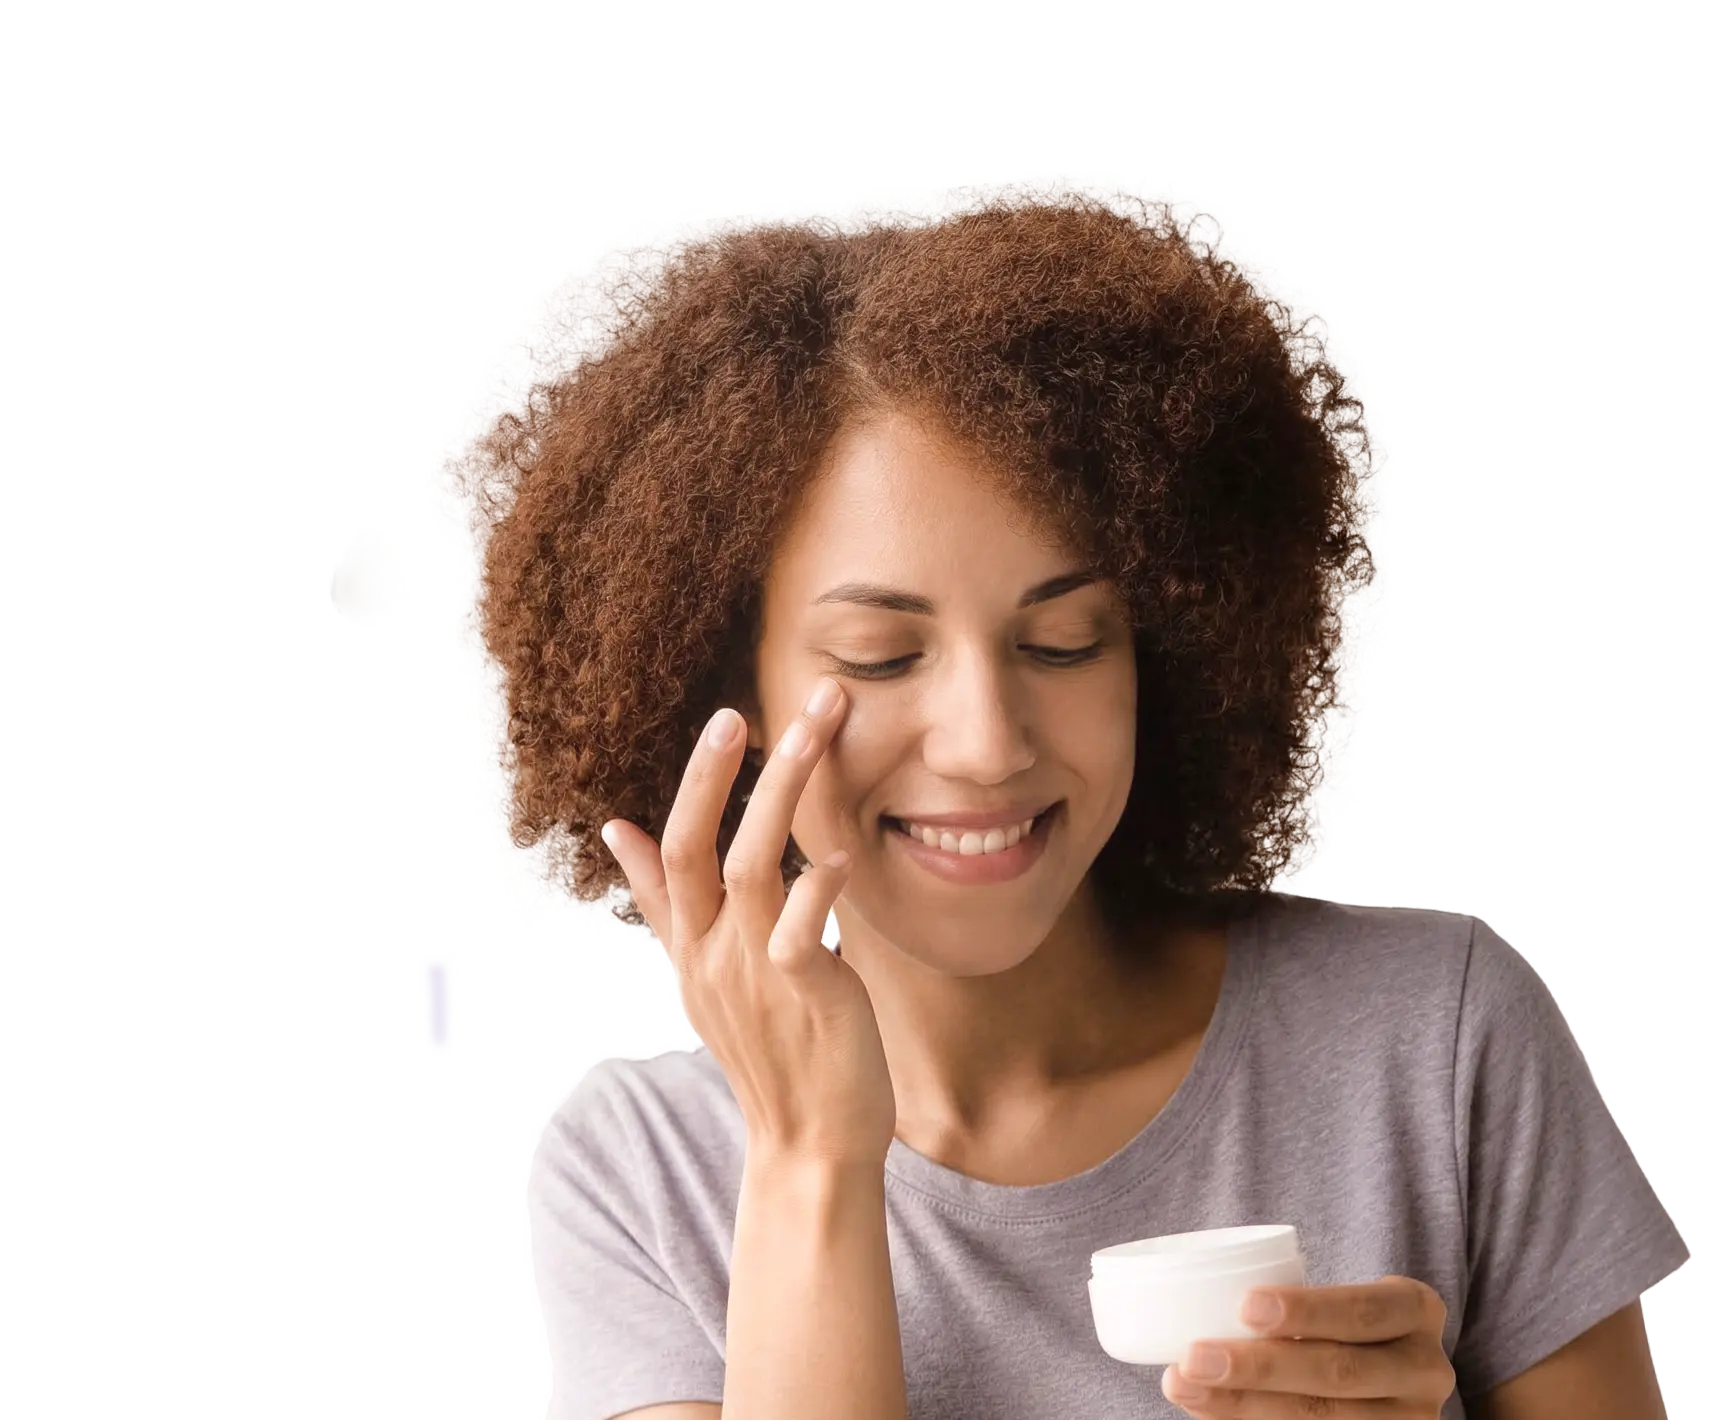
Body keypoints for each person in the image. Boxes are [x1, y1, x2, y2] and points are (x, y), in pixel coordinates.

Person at [437, 175, 1685, 1419]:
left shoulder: (1437, 1037)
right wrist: (812, 1158)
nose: (987, 745)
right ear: (727, 691)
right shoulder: (645, 1175)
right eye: (881, 656)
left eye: (1065, 642)